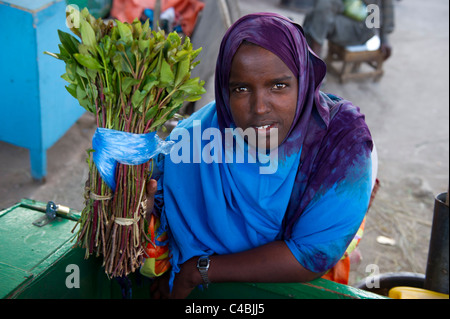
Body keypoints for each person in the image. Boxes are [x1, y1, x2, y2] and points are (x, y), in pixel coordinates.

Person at [146, 12, 376, 299]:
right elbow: (157, 196)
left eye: (278, 86)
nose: (259, 108)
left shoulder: (340, 143)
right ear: (224, 92)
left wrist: (199, 270)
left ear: (303, 82)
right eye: (241, 89)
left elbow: (312, 255)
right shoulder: (200, 135)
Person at [302, 0, 395, 60]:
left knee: (318, 19)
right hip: (343, 16)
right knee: (314, 15)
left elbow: (386, 12)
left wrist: (385, 39)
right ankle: (309, 56)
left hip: (361, 29)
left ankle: (315, 59)